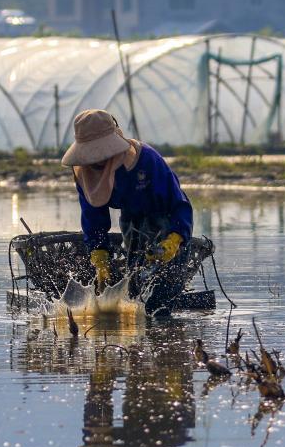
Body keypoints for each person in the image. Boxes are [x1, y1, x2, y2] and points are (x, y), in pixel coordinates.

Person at [61, 109, 194, 313]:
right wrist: (99, 254)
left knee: (164, 289)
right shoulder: (85, 173)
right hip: (132, 220)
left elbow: (179, 203)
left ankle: (163, 314)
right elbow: (93, 215)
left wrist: (175, 239)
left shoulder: (146, 160)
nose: (98, 160)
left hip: (167, 218)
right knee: (136, 282)